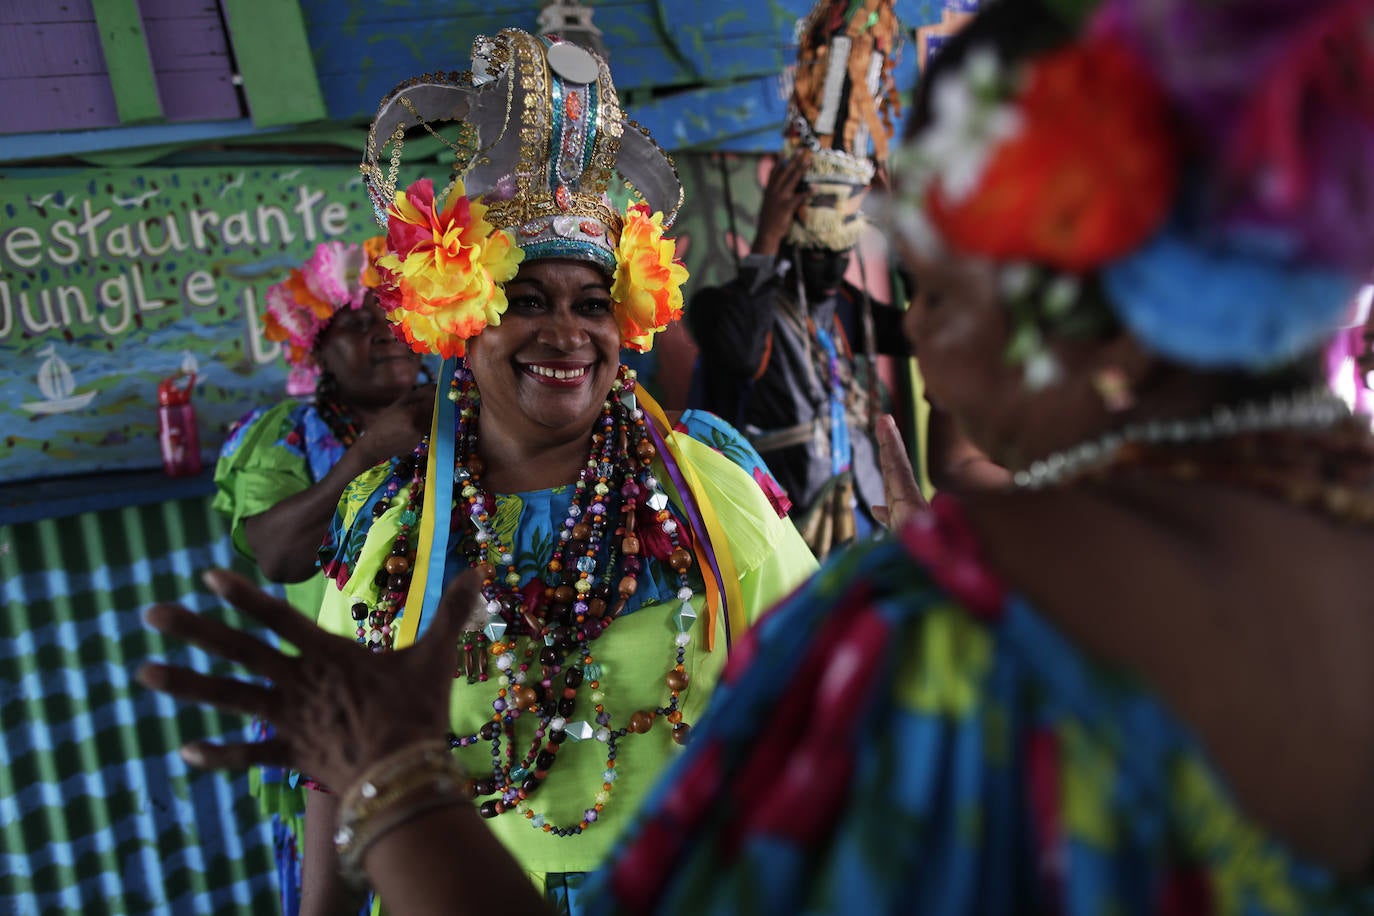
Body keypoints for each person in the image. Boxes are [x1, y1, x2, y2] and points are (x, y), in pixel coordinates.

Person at [142, 0, 1374, 913]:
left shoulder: (944, 615)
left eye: (933, 284)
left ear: (1076, 300)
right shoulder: (1331, 525)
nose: (920, 339)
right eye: (528, 299)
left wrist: (392, 782)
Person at [264, 29, 813, 916]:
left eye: (593, 305)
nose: (568, 333)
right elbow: (339, 768)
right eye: (526, 302)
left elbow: (826, 714)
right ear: (463, 320)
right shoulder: (392, 526)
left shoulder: (710, 498)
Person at [212, 237, 433, 915]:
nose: (385, 334)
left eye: (392, 318)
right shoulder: (284, 435)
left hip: (456, 688)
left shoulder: (468, 412)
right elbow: (277, 554)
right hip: (340, 709)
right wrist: (365, 456)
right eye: (359, 324)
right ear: (317, 351)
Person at [686, 0, 913, 559]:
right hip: (781, 535)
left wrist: (905, 227)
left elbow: (918, 333)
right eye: (818, 238)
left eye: (846, 241)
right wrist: (764, 243)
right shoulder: (726, 305)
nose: (834, 261)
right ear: (787, 225)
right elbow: (739, 354)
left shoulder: (843, 310)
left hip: (863, 523)